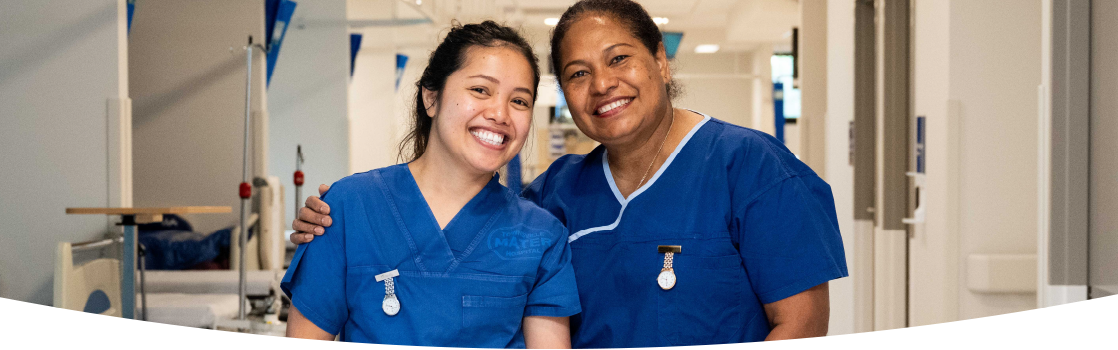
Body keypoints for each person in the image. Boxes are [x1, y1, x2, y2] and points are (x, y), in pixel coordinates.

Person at [292, 0, 848, 347]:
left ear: (661, 59)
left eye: (620, 58)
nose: (602, 84)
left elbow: (802, 324)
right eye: (578, 73)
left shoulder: (752, 168)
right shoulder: (557, 194)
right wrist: (328, 220)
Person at [281, 21, 580, 348]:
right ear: (431, 98)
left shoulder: (541, 236)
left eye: (519, 101)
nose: (500, 113)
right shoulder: (348, 209)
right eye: (480, 90)